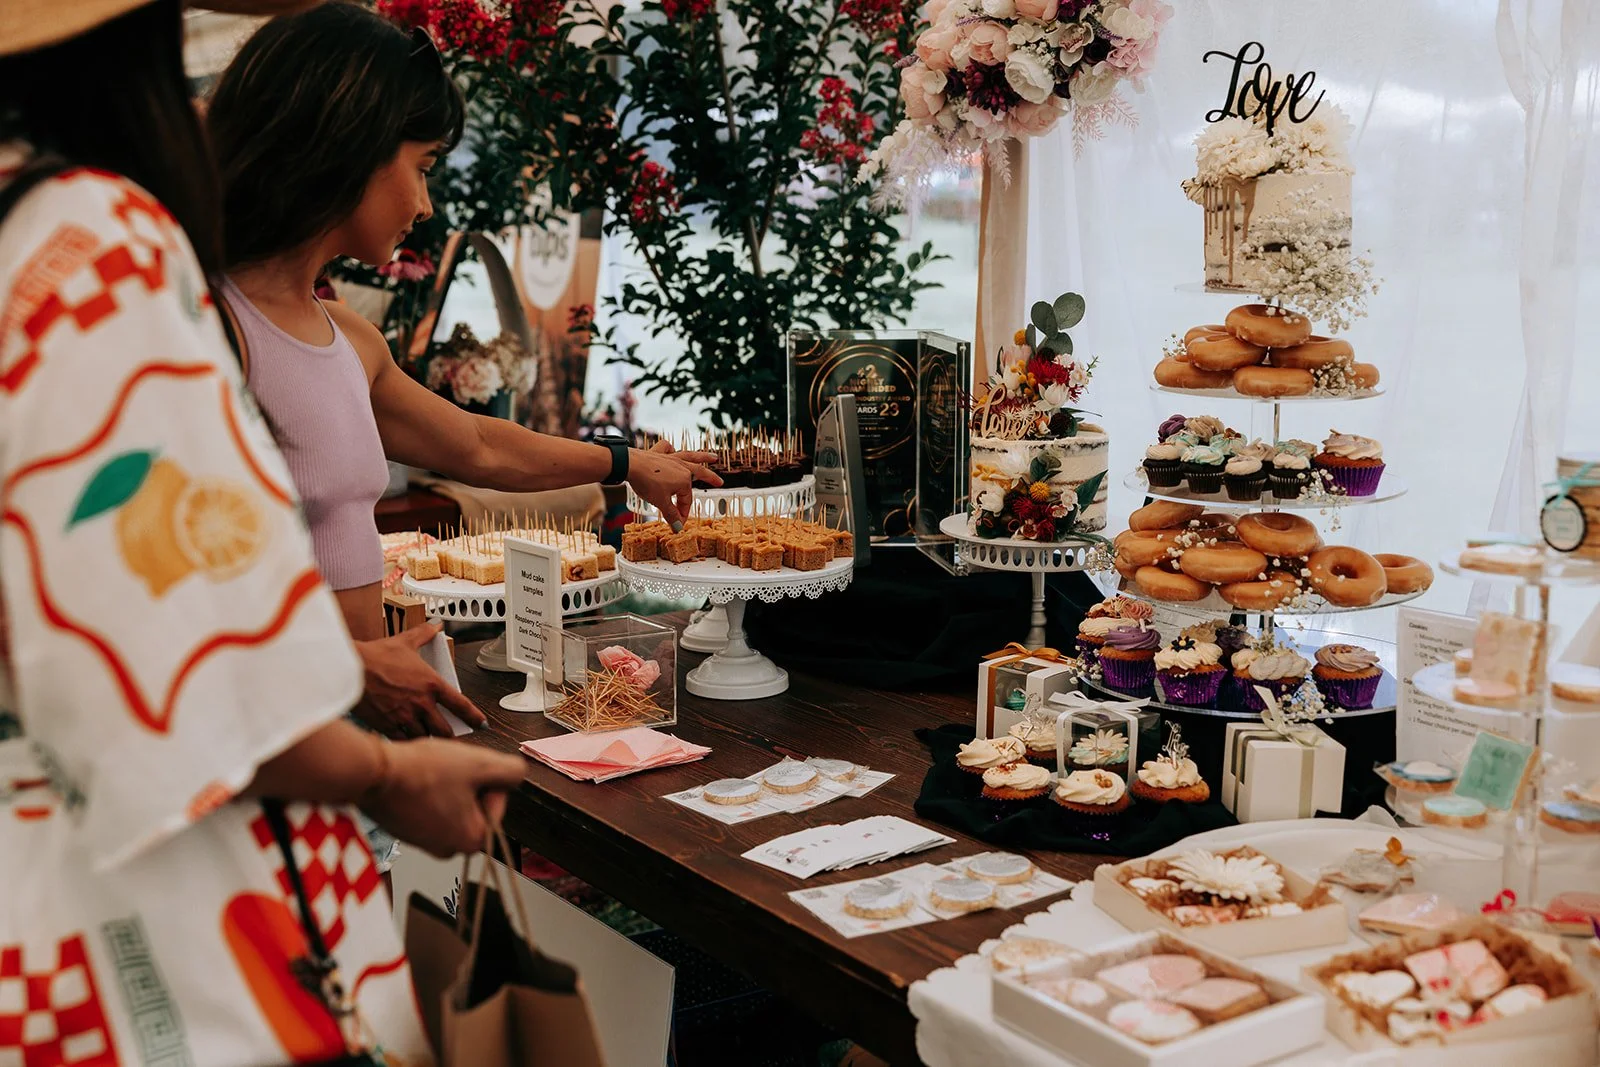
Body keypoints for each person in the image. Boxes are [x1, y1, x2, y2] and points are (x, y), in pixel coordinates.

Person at [0, 2, 527, 1062]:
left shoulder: (19, 236)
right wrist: (380, 773)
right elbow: (180, 656)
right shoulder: (101, 238)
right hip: (183, 921)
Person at [206, 2, 722, 741]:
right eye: (420, 168)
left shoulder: (346, 335)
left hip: (353, 735)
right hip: (265, 741)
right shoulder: (210, 333)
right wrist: (343, 666)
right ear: (346, 146)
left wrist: (626, 462)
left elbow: (478, 447)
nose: (425, 203)